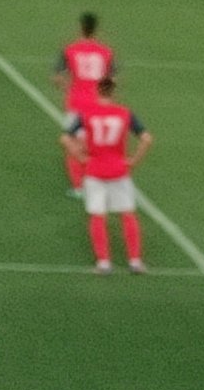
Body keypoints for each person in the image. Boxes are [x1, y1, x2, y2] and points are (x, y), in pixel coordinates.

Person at [59, 77, 151, 275]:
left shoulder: (86, 114)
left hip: (94, 170)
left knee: (97, 215)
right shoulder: (124, 113)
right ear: (114, 92)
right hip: (119, 170)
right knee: (127, 213)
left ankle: (104, 263)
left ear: (97, 92)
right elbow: (146, 138)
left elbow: (66, 138)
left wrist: (81, 157)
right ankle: (135, 261)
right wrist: (134, 160)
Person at [52, 12, 115, 198]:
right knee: (98, 144)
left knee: (72, 143)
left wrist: (67, 88)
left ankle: (79, 186)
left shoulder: (70, 50)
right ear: (96, 29)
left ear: (81, 27)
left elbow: (57, 77)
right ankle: (102, 181)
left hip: (77, 103)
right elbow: (112, 79)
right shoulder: (106, 52)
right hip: (99, 104)